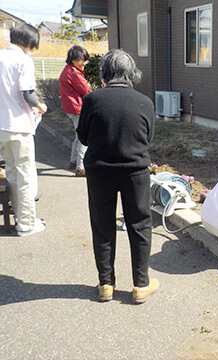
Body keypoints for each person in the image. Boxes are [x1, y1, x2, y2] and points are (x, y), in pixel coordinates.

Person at [77, 49, 157, 304]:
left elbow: (83, 137)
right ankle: (141, 285)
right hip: (135, 172)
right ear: (130, 74)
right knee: (140, 225)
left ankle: (106, 285)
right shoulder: (144, 101)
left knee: (103, 226)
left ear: (104, 73)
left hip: (100, 171)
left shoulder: (91, 100)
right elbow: (148, 138)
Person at [0, 23, 47, 236]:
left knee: (11, 173)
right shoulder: (23, 60)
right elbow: (28, 94)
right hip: (18, 126)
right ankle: (26, 224)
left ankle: (20, 218)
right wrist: (40, 106)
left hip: (1, 126)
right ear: (28, 42)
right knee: (25, 177)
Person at [59, 45, 91, 177]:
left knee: (78, 136)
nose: (83, 63)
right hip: (77, 108)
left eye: (84, 60)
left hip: (71, 108)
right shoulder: (74, 73)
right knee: (84, 138)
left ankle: (73, 161)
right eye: (80, 60)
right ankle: (81, 167)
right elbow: (86, 91)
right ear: (72, 59)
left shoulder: (67, 70)